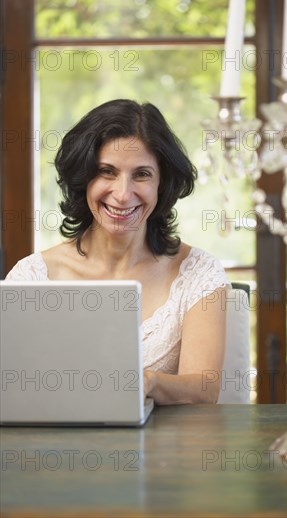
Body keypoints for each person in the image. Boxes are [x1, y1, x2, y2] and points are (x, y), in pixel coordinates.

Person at [6, 99, 229, 405]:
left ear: (162, 184)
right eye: (106, 172)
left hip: (167, 452)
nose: (123, 195)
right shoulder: (31, 278)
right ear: (83, 178)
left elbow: (205, 391)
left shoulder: (199, 273)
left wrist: (148, 381)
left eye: (142, 174)